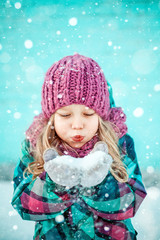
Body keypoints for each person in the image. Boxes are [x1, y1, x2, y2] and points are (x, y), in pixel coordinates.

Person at [11, 53, 147, 240]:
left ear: (101, 115)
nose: (77, 125)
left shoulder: (119, 142)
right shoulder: (36, 144)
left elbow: (132, 202)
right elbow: (23, 204)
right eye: (65, 115)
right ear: (51, 117)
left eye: (88, 114)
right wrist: (56, 186)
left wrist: (99, 184)